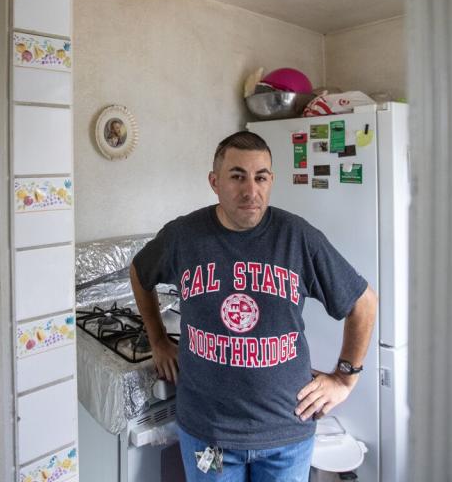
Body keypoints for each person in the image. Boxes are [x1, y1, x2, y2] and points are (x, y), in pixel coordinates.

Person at [130, 131, 377, 481]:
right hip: (208, 433)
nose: (250, 191)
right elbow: (140, 273)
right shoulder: (183, 236)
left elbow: (364, 302)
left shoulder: (297, 237)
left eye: (260, 177)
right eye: (236, 176)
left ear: (271, 180)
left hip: (285, 434)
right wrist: (157, 340)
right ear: (214, 182)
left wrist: (344, 377)